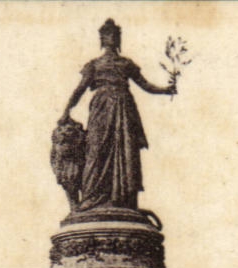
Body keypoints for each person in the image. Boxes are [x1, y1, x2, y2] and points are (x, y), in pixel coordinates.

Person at [60, 19, 177, 211]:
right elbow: (80, 89)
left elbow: (145, 85)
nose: (111, 38)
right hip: (102, 109)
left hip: (124, 110)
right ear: (102, 38)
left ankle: (123, 199)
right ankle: (92, 197)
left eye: (115, 35)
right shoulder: (93, 65)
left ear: (118, 39)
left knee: (126, 151)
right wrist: (66, 110)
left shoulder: (126, 64)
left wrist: (166, 89)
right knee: (96, 150)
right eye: (107, 35)